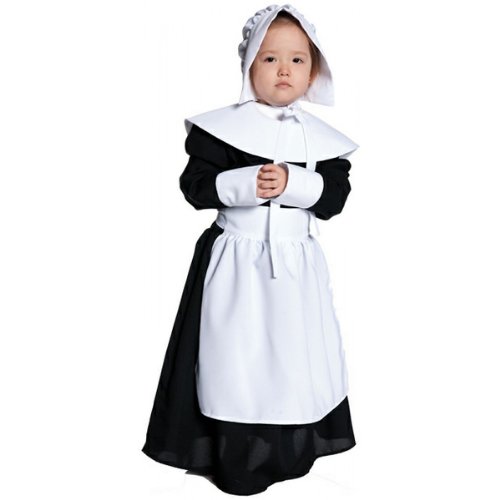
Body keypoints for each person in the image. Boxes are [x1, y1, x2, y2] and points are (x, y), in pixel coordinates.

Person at [142, 4, 359, 495]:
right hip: (235, 263)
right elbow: (196, 187)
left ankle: (287, 452)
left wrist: (295, 183)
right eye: (270, 58)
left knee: (292, 359)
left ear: (313, 72)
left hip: (296, 265)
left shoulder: (324, 141)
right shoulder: (219, 129)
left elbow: (334, 200)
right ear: (248, 65)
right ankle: (234, 459)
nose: (284, 70)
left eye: (297, 60)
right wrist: (247, 184)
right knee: (235, 362)